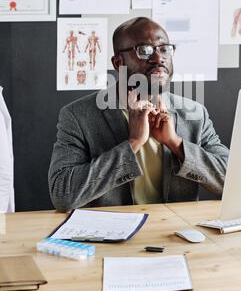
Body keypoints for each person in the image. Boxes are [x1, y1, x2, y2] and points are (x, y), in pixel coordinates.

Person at [48, 17, 229, 211]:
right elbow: (62, 194)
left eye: (164, 49)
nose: (158, 59)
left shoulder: (195, 114)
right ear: (118, 63)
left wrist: (175, 143)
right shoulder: (78, 116)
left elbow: (232, 179)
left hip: (176, 231)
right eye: (144, 51)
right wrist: (133, 142)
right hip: (113, 233)